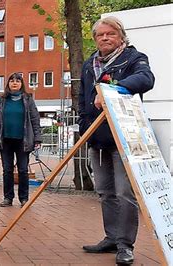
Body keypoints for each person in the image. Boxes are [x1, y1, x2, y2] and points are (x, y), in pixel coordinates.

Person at [78, 17, 154, 264]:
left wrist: (115, 88)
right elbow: (82, 97)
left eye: (110, 34)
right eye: (100, 35)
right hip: (97, 138)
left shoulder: (133, 58)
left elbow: (146, 79)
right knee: (105, 191)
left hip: (124, 137)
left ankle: (125, 245)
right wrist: (83, 124)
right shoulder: (90, 64)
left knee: (124, 193)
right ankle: (111, 238)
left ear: (121, 36)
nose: (105, 38)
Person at [0, 73, 41, 208]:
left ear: (22, 84)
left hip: (23, 140)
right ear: (8, 84)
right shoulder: (1, 100)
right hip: (5, 140)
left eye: (18, 81)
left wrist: (37, 138)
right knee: (7, 170)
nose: (15, 83)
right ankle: (8, 198)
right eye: (12, 81)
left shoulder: (28, 99)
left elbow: (35, 119)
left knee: (23, 170)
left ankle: (24, 198)